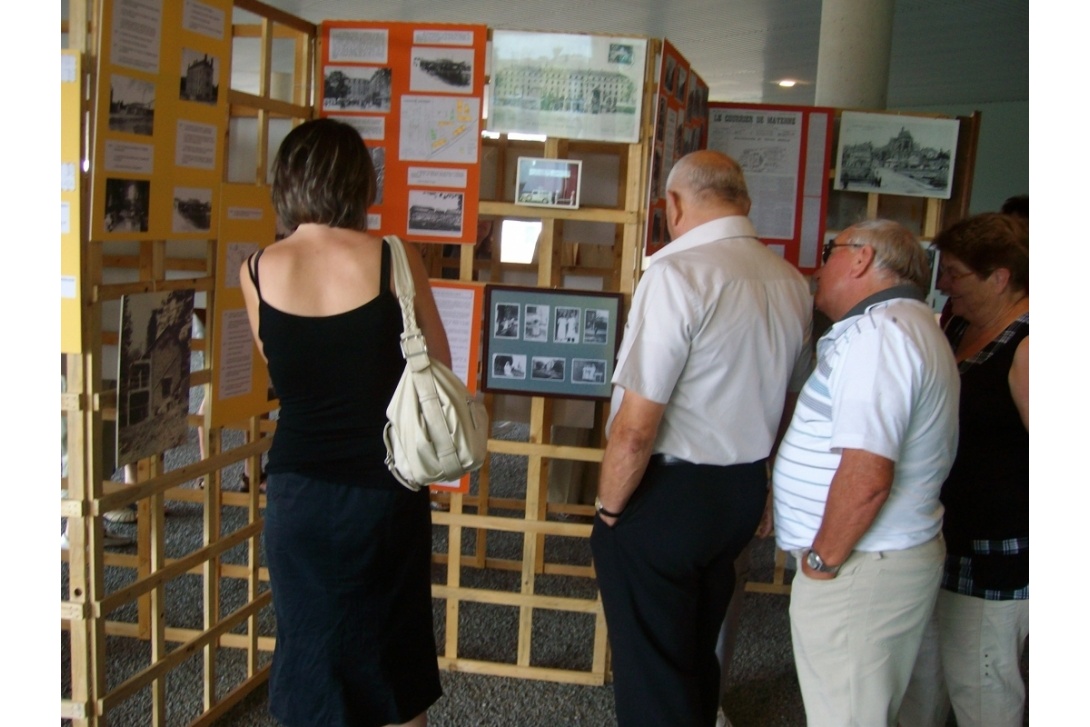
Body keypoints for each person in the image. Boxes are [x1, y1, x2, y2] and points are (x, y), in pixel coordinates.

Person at [591, 150, 812, 727]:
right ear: (744, 203)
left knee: (650, 670)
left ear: (675, 205)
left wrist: (609, 509)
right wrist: (762, 483)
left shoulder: (676, 274)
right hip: (739, 490)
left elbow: (636, 428)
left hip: (665, 495)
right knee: (695, 653)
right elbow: (788, 400)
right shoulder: (790, 281)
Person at [240, 118, 449, 727]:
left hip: (297, 489)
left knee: (309, 643)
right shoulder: (392, 257)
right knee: (393, 648)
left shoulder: (255, 271)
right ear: (360, 182)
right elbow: (436, 363)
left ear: (286, 182)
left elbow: (282, 368)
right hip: (386, 483)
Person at [770, 219, 960, 727]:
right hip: (873, 559)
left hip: (859, 564)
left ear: (861, 259)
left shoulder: (882, 334)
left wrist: (822, 560)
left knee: (847, 715)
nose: (817, 265)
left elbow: (868, 474)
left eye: (830, 250)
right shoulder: (896, 325)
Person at [900, 213, 1029, 727]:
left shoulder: (1030, 344)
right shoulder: (957, 324)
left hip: (995, 549)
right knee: (921, 682)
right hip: (941, 536)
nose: (943, 284)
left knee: (981, 689)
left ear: (999, 277)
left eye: (955, 272)